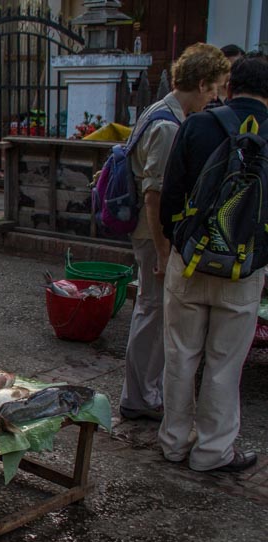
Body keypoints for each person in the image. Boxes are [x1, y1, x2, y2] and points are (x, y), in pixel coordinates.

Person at [157, 52, 267, 474]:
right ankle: (212, 452)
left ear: (229, 86)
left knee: (181, 355)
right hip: (243, 269)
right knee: (225, 362)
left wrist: (179, 243)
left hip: (190, 262)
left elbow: (171, 194)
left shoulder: (199, 125)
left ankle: (173, 442)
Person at [119, 42, 230, 423]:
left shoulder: (163, 112)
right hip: (153, 236)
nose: (215, 97)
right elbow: (154, 195)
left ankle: (142, 393)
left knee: (150, 311)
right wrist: (165, 253)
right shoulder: (167, 125)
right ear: (200, 84)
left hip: (152, 234)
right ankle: (139, 397)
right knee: (151, 312)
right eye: (214, 88)